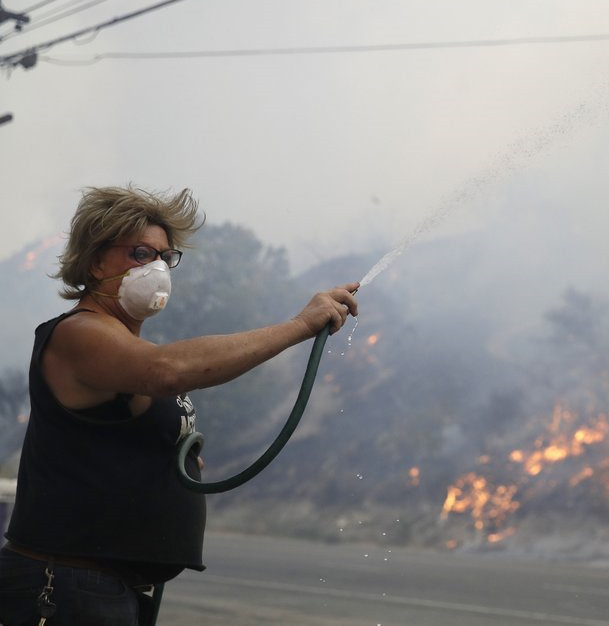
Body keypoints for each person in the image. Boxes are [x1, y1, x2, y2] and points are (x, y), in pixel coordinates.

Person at [0, 185, 358, 625]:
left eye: (165, 258)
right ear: (95, 261)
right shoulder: (79, 332)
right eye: (140, 254)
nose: (158, 268)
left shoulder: (124, 347)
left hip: (107, 589)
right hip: (63, 588)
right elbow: (165, 371)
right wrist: (300, 326)